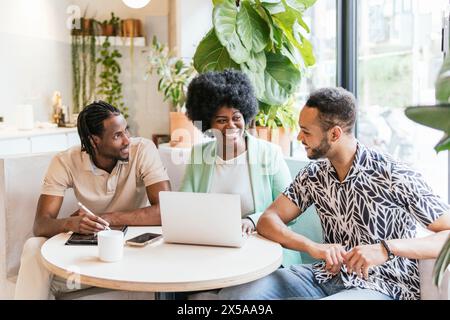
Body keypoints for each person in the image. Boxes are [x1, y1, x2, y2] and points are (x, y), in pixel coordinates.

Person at [218, 87, 450, 300]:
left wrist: (386, 248)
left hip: (383, 284)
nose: (299, 138)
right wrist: (312, 247)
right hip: (324, 276)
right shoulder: (314, 174)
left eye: (306, 132)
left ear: (335, 134)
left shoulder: (393, 174)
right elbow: (268, 221)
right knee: (237, 296)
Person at [14, 101, 171, 299]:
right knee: (33, 247)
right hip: (87, 247)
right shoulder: (65, 161)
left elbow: (166, 210)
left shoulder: (142, 150)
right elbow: (41, 225)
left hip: (132, 245)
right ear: (94, 140)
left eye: (126, 131)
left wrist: (103, 218)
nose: (126, 140)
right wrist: (71, 223)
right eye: (117, 135)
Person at [180, 69, 291, 235]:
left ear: (245, 115)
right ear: (207, 123)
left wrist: (253, 221)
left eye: (236, 118)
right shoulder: (198, 154)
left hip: (262, 244)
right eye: (221, 120)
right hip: (213, 243)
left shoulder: (270, 154)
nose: (231, 125)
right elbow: (183, 206)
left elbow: (292, 212)